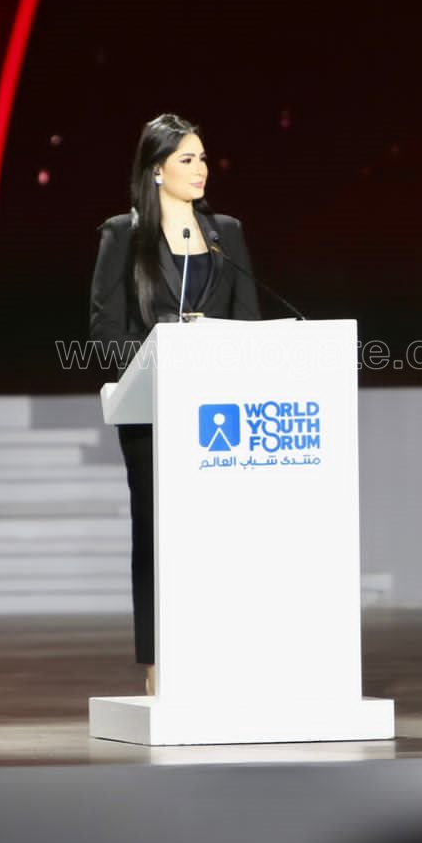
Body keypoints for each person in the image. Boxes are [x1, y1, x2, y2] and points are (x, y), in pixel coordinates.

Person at [88, 113, 261, 694]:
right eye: (188, 159)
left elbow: (248, 321)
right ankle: (158, 666)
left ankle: (223, 656)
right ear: (156, 169)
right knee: (157, 537)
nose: (201, 169)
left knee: (220, 537)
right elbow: (106, 330)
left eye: (203, 158)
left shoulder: (226, 234)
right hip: (153, 412)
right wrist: (160, 365)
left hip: (218, 413)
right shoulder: (123, 235)